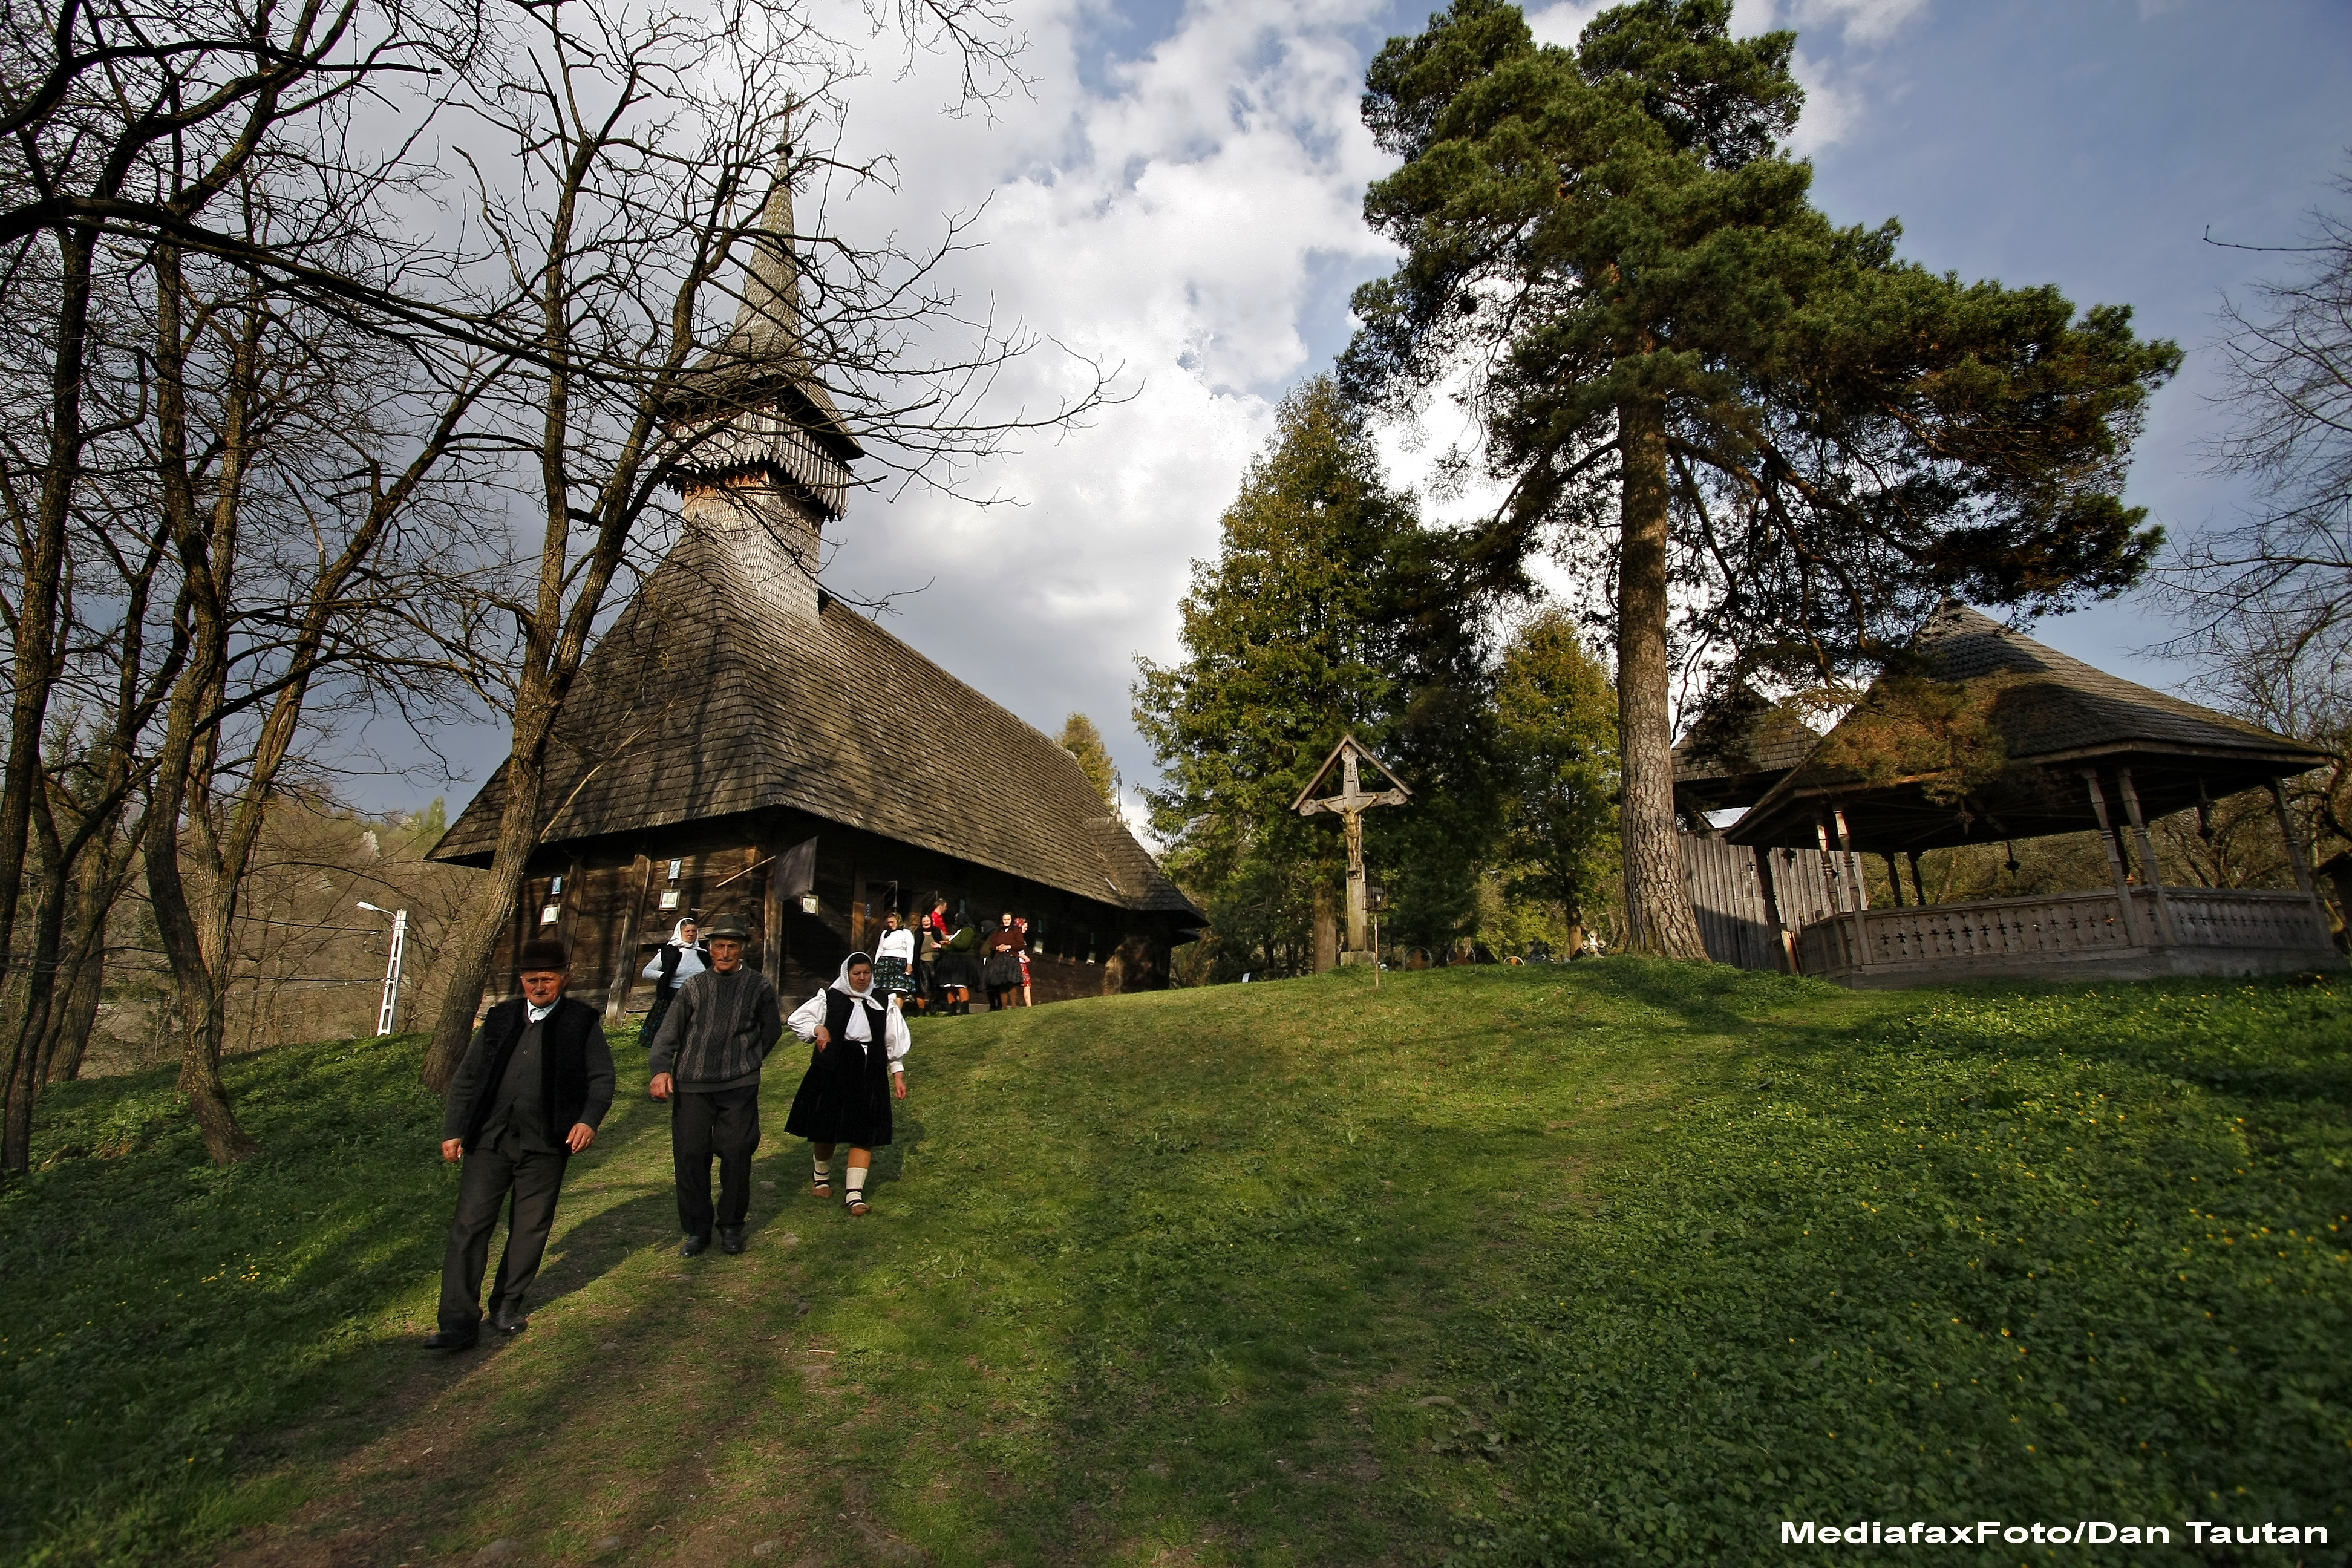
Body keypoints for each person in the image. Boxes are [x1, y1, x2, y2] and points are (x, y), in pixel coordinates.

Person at [426, 938, 614, 1349]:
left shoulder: (581, 1022)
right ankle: (458, 1321)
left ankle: (507, 1305)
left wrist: (587, 1121)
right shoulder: (500, 1019)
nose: (539, 987)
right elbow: (467, 1078)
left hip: (545, 1142)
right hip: (490, 1139)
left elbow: (601, 1080)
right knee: (470, 1226)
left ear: (564, 979)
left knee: (530, 1226)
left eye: (547, 979)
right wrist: (453, 1130)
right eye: (531, 980)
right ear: (522, 981)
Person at [648, 913, 782, 1256]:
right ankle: (697, 1229)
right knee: (691, 1156)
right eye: (719, 946)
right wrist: (661, 1068)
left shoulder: (759, 986)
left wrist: (747, 1060)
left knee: (737, 1153)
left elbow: (771, 1031)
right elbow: (669, 1031)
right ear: (709, 948)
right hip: (692, 1084)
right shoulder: (694, 986)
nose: (724, 953)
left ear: (742, 951)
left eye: (731, 947)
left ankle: (732, 1226)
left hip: (738, 1085)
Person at [783, 952, 910, 1215]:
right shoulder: (830, 998)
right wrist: (819, 1030)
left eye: (866, 973)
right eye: (857, 974)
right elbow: (799, 1019)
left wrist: (897, 1073)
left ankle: (854, 1195)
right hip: (834, 1067)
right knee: (827, 1128)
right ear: (847, 974)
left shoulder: (883, 1002)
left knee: (864, 1131)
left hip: (869, 1069)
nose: (862, 978)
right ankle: (821, 1178)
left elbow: (892, 1040)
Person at [637, 916, 708, 1050]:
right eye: (687, 931)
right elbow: (646, 971)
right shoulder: (668, 952)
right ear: (679, 932)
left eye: (694, 931)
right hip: (674, 996)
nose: (691, 934)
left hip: (699, 996)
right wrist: (664, 976)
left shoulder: (703, 953)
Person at [980, 911, 1025, 1010]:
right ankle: (1004, 1007)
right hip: (1000, 959)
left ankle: (1014, 1006)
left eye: (1008, 919)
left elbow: (1020, 944)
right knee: (1002, 983)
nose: (1006, 922)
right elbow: (992, 944)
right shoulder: (998, 931)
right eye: (1005, 920)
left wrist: (1010, 946)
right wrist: (998, 948)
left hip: (1011, 958)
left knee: (1012, 982)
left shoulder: (1016, 931)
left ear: (1011, 920)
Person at [874, 909, 918, 1011]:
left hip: (899, 962)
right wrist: (876, 964)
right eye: (888, 922)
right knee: (883, 990)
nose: (890, 924)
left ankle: (898, 1014)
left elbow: (910, 949)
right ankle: (884, 1012)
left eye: (892, 922)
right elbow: (880, 949)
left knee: (899, 989)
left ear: (898, 921)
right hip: (884, 963)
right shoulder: (885, 933)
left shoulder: (906, 933)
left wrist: (909, 964)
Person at [1015, 915, 1034, 1007]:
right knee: (1027, 983)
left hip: (1022, 962)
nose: (1026, 929)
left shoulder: (1020, 937)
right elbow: (1014, 951)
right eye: (1025, 927)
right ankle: (1029, 1005)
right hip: (1020, 962)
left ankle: (1029, 1005)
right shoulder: (1016, 938)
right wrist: (1024, 957)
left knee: (1027, 983)